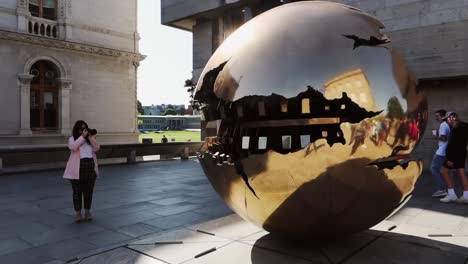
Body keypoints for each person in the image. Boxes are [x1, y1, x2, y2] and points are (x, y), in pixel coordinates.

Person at [63, 120, 100, 222]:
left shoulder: (90, 139)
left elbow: (97, 148)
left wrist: (90, 138)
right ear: (77, 130)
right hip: (77, 169)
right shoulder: (72, 139)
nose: (83, 131)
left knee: (88, 192)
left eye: (85, 129)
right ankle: (78, 214)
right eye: (81, 129)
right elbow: (73, 147)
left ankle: (87, 212)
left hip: (90, 167)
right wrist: (82, 137)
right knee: (77, 192)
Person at [439, 112, 468, 203]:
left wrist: (450, 159)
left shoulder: (455, 128)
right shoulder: (465, 125)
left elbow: (453, 144)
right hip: (462, 153)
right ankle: (466, 196)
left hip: (453, 155)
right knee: (461, 173)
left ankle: (452, 195)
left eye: (448, 119)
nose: (448, 121)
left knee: (443, 171)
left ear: (453, 117)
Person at [430, 109, 450, 197]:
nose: (436, 118)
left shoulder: (443, 125)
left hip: (441, 152)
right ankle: (448, 189)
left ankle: (442, 189)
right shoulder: (448, 124)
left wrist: (435, 136)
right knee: (443, 171)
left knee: (434, 169)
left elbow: (444, 138)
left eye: (437, 116)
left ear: (443, 116)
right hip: (446, 151)